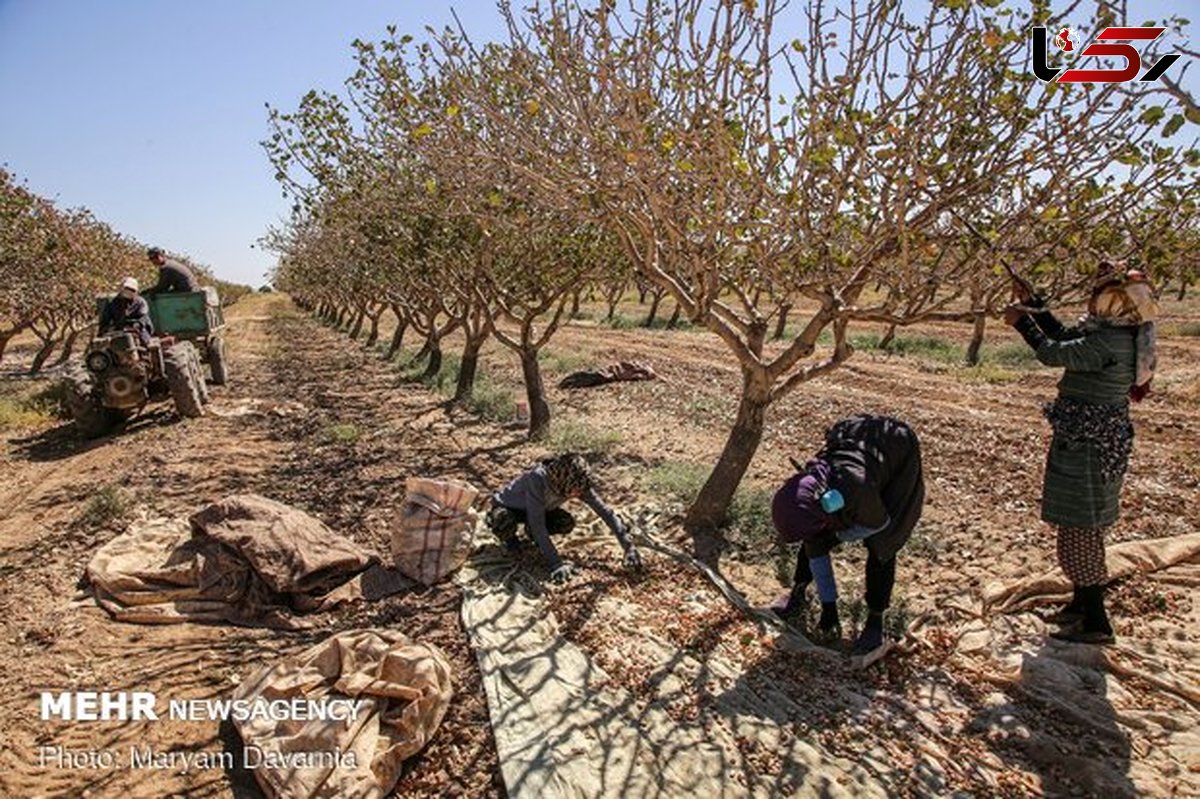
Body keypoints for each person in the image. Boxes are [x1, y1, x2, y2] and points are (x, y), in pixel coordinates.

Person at [1003, 261, 1158, 645]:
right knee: (1083, 526)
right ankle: (1080, 605)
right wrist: (1034, 303)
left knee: (1080, 528)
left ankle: (1096, 622)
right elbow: (1064, 335)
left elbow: (1053, 352)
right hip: (1090, 439)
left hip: (1088, 445)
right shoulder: (1116, 335)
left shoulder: (1108, 343)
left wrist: (1021, 323)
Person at [771, 415, 925, 662]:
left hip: (896, 457)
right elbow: (814, 540)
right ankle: (798, 593)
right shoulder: (810, 485)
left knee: (883, 545)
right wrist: (829, 606)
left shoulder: (857, 489)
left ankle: (875, 620)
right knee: (814, 535)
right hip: (858, 453)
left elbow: (878, 523)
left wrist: (840, 534)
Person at [488, 452, 642, 583]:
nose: (576, 494)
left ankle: (534, 537)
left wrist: (628, 547)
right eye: (574, 490)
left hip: (539, 510)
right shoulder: (537, 479)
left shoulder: (579, 483)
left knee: (565, 523)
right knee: (502, 519)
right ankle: (511, 540)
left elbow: (605, 512)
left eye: (579, 490)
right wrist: (556, 563)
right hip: (510, 508)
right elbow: (538, 523)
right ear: (562, 479)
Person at [99, 277, 153, 344]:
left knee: (144, 341)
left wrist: (137, 325)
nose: (129, 291)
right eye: (127, 288)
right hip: (120, 329)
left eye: (132, 290)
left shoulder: (140, 302)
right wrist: (103, 331)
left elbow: (143, 317)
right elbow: (105, 320)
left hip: (139, 329)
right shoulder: (113, 302)